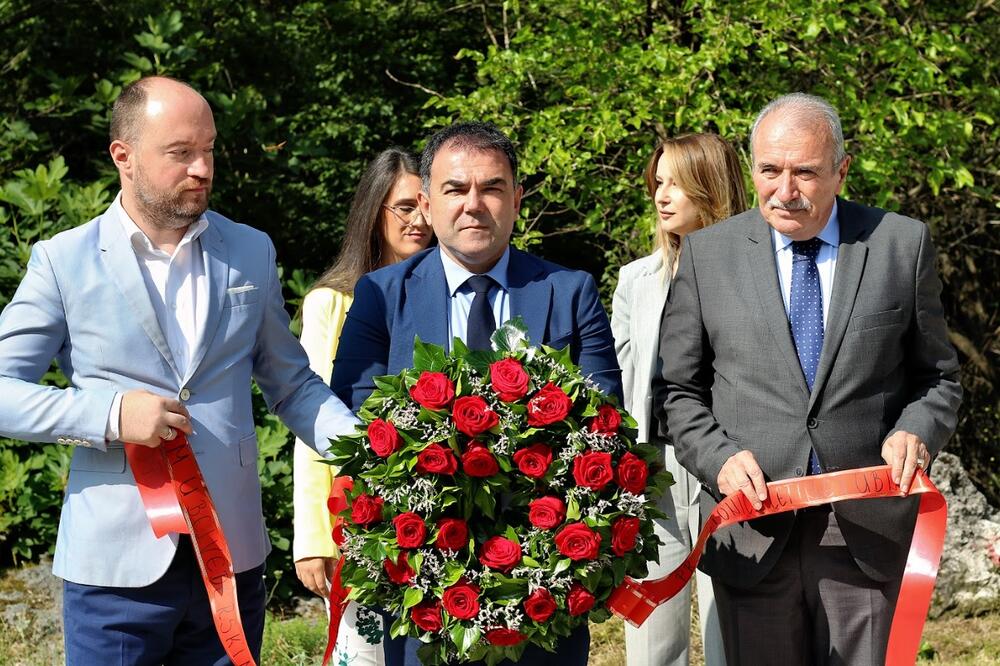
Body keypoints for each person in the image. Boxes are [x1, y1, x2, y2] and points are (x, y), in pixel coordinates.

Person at [0, 76, 358, 665]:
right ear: (124, 156)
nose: (202, 168)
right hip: (113, 569)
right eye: (180, 153)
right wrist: (112, 414)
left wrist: (373, 453)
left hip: (233, 557)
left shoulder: (250, 251)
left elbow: (293, 384)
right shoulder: (61, 261)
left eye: (209, 149)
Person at [655, 93, 962, 665]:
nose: (785, 190)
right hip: (750, 534)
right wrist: (718, 457)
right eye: (769, 171)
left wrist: (916, 430)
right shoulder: (707, 256)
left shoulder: (899, 244)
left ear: (841, 170)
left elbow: (937, 377)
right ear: (751, 170)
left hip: (866, 535)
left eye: (806, 172)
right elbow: (677, 392)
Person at [331, 120, 623, 666]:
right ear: (425, 201)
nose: (474, 205)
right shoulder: (380, 296)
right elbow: (356, 420)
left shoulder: (570, 291)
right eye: (455, 189)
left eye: (491, 188)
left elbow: (605, 425)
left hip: (544, 585)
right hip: (422, 578)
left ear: (516, 198)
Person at [293, 147, 433, 664]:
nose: (418, 220)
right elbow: (310, 421)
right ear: (374, 210)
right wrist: (312, 537)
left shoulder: (456, 296)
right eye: (403, 207)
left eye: (424, 204)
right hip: (357, 516)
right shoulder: (330, 302)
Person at [613, 133, 745, 666]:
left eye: (675, 183)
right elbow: (622, 383)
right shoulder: (635, 280)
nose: (661, 196)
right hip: (654, 468)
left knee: (730, 627)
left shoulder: (755, 276)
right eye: (657, 183)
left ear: (709, 188)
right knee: (650, 631)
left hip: (733, 466)